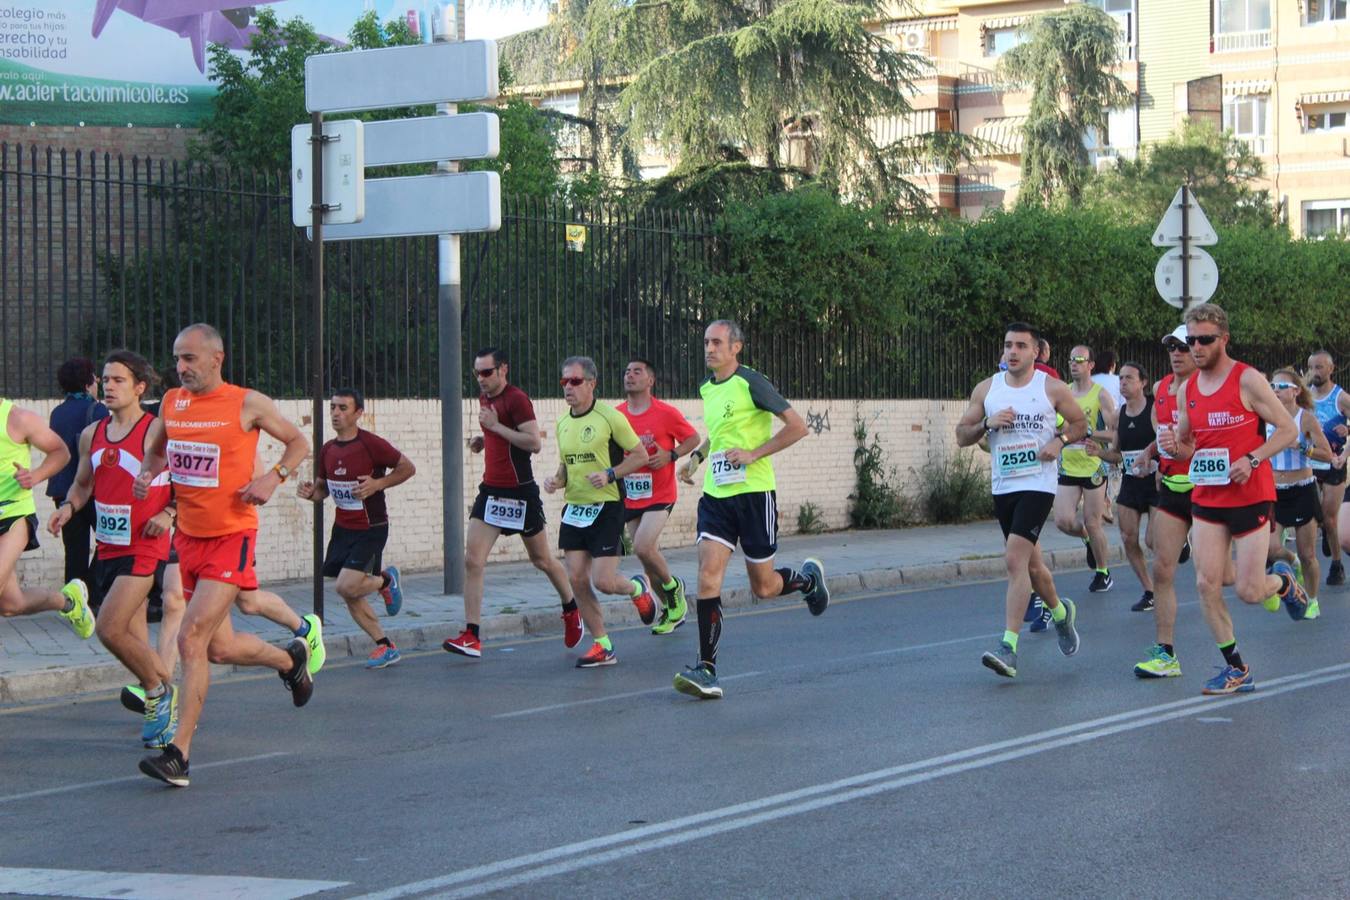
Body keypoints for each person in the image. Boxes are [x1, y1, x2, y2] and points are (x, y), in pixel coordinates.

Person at [134, 323, 317, 788]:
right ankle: (289, 660)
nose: (181, 367)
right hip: (189, 539)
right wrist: (146, 474)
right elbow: (157, 452)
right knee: (218, 648)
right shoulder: (173, 403)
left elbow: (300, 443)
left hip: (231, 536)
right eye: (177, 358)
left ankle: (180, 754)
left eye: (190, 359)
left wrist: (272, 477)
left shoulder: (246, 402)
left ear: (217, 358)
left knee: (190, 639)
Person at [672, 320, 829, 699]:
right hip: (717, 497)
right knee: (708, 574)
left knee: (764, 586)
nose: (709, 348)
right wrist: (698, 457)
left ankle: (807, 581)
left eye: (717, 342)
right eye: (706, 342)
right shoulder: (708, 388)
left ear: (736, 347)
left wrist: (753, 455)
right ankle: (707, 669)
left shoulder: (752, 382)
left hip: (755, 494)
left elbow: (797, 427)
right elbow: (722, 433)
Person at [1171, 303, 1304, 696]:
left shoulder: (1247, 380)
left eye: (1205, 340)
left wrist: (1252, 458)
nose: (1196, 347)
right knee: (1205, 583)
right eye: (1190, 340)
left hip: (1250, 494)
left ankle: (1281, 583)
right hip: (1208, 494)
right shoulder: (1187, 389)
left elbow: (1285, 431)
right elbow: (1186, 444)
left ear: (1223, 339)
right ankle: (1237, 669)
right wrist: (1171, 446)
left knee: (1247, 591)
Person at [47, 350, 178, 749]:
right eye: (105, 379)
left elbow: (188, 481)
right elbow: (84, 484)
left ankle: (160, 693)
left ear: (140, 387)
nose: (108, 386)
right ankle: (160, 697)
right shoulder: (92, 433)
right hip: (109, 545)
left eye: (118, 380)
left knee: (107, 625)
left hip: (146, 544)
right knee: (133, 638)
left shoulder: (158, 431)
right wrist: (69, 507)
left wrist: (170, 512)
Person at [956, 322, 1084, 678]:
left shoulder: (1052, 388)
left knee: (1014, 559)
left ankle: (1009, 647)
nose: (1012, 351)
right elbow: (961, 436)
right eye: (1008, 345)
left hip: (1038, 484)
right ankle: (1060, 614)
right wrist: (987, 423)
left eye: (1021, 346)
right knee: (1031, 565)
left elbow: (1079, 424)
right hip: (1004, 486)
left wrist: (1058, 441)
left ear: (1035, 352)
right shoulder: (988, 389)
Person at [443, 348, 578, 659]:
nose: (481, 379)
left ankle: (571, 608)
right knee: (472, 561)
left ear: (503, 369)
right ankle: (472, 635)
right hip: (491, 491)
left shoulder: (517, 399)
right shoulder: (484, 399)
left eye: (487, 372)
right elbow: (499, 437)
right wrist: (484, 440)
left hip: (520, 493)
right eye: (477, 373)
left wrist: (496, 428)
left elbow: (534, 443)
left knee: (542, 560)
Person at [542, 356, 654, 667]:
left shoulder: (610, 418)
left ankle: (637, 587)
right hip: (576, 508)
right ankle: (602, 644)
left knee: (603, 580)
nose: (568, 388)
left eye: (575, 381)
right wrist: (556, 481)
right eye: (564, 382)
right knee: (577, 579)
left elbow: (641, 456)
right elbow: (567, 467)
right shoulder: (563, 422)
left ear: (591, 384)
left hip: (607, 506)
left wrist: (610, 474)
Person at [298, 388, 415, 669]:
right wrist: (311, 492)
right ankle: (384, 645)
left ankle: (386, 582)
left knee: (346, 585)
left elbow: (407, 468)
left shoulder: (371, 444)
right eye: (334, 408)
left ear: (358, 413)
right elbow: (324, 490)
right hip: (343, 528)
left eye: (343, 408)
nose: (336, 414)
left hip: (371, 526)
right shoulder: (327, 449)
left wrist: (377, 484)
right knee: (349, 591)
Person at [616, 357, 701, 635]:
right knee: (647, 557)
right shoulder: (616, 416)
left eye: (637, 371)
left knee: (642, 546)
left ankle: (674, 588)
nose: (630, 375)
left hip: (661, 492)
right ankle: (672, 608)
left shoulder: (665, 413)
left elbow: (693, 439)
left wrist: (671, 455)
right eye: (627, 371)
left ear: (650, 380)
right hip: (631, 495)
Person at [0, 397, 94, 644]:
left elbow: (61, 452)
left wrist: (35, 475)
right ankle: (69, 601)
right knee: (11, 604)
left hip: (12, 515)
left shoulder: (18, 419)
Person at [1265, 368, 1332, 619]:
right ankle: (1291, 563)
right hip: (1275, 491)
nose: (1276, 390)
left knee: (1308, 553)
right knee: (1271, 549)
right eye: (1273, 386)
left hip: (1303, 489)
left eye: (1282, 386)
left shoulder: (1305, 418)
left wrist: (1303, 446)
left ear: (1296, 391)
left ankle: (1312, 599)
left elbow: (1326, 454)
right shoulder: (1265, 417)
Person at [1052, 344, 1117, 593]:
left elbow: (1113, 434)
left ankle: (1103, 572)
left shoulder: (1101, 395)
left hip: (1093, 466)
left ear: (1091, 365)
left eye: (1080, 359)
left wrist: (1091, 434)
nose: (1074, 363)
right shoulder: (1063, 393)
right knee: (1063, 520)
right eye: (1071, 359)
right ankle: (1088, 541)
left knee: (1093, 521)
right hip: (1068, 463)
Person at [1093, 361, 1156, 611]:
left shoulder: (1153, 409)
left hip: (1155, 481)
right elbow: (1116, 454)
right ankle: (1149, 590)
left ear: (1143, 383)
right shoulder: (1119, 414)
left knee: (1153, 541)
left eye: (1129, 378)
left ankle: (1181, 541)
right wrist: (1097, 452)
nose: (1123, 383)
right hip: (1131, 482)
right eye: (1120, 379)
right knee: (1128, 538)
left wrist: (1153, 459)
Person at [46, 356, 109, 604]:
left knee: (74, 550)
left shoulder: (57, 413)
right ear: (87, 383)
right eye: (95, 378)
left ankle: (73, 601)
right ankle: (92, 590)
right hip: (92, 490)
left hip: (62, 491)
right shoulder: (99, 410)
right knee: (109, 542)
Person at [1306, 350, 1349, 585]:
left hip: (1334, 463)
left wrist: (1349, 432)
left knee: (1330, 519)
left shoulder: (1340, 397)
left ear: (1331, 369)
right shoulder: (1305, 397)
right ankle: (1323, 529)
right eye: (1312, 367)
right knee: (1315, 516)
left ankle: (1336, 564)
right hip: (1311, 462)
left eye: (1320, 367)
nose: (1315, 372)